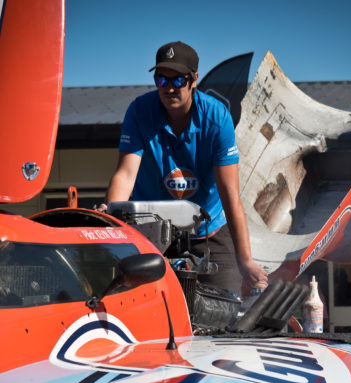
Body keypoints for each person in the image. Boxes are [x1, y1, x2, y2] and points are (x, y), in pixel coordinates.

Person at [99, 41, 267, 295]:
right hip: (151, 231)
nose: (169, 88)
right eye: (161, 80)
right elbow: (125, 174)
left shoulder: (217, 117)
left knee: (223, 307)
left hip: (209, 230)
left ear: (194, 79)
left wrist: (245, 261)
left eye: (178, 81)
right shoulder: (139, 111)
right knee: (140, 303)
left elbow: (229, 193)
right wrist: (112, 215)